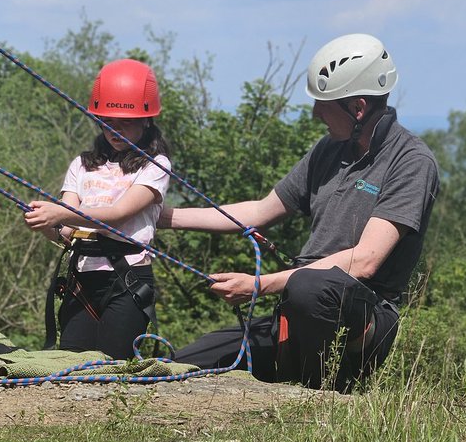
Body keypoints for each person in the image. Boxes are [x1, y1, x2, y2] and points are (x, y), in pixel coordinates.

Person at [162, 33, 440, 390]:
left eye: (324, 104)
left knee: (311, 286)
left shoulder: (411, 162)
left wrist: (261, 286)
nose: (315, 113)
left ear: (357, 108)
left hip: (363, 313)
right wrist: (165, 218)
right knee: (185, 364)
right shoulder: (329, 149)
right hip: (299, 302)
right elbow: (259, 211)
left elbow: (365, 261)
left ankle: (316, 397)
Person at [24, 58, 171, 359]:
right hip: (83, 276)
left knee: (113, 364)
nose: (115, 131)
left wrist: (60, 213)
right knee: (69, 361)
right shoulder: (82, 165)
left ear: (146, 121)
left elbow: (120, 215)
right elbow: (67, 233)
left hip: (127, 277)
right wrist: (46, 225)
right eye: (107, 123)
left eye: (125, 123)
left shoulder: (155, 166)